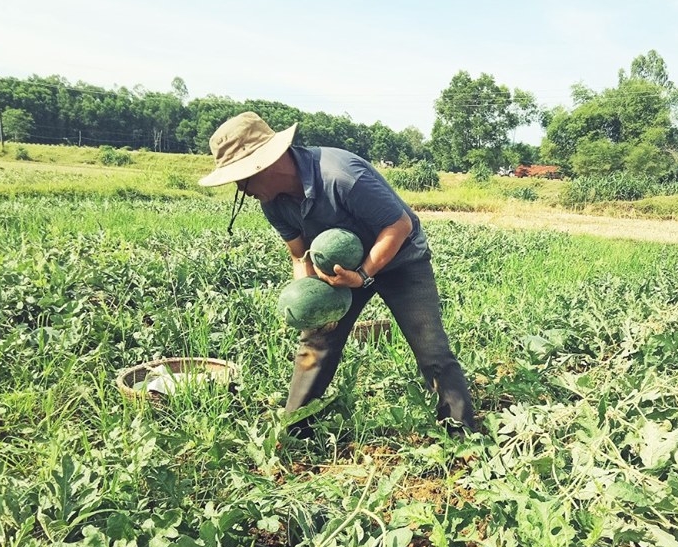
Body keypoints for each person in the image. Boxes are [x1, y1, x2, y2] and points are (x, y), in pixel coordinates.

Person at [199, 112, 475, 434]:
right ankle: (295, 429)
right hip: (339, 270)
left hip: (401, 259)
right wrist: (310, 301)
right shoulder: (272, 203)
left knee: (430, 347)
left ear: (265, 164)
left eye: (241, 178)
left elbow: (399, 225)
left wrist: (364, 275)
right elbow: (299, 254)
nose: (240, 189)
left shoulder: (340, 176)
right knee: (316, 342)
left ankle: (461, 433)